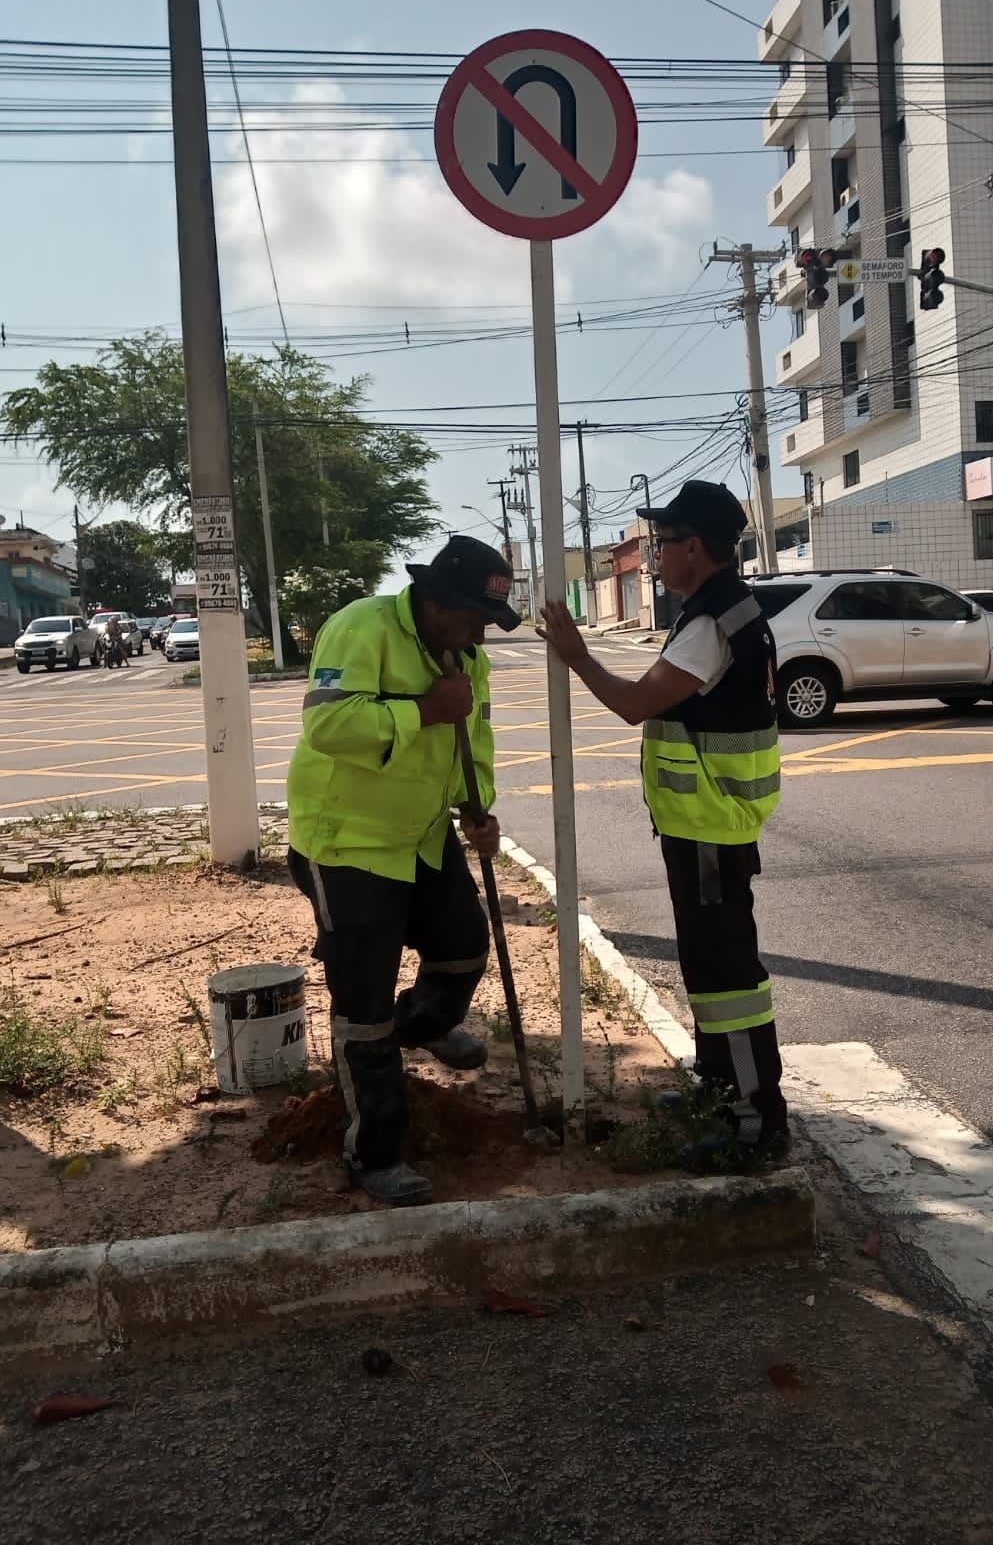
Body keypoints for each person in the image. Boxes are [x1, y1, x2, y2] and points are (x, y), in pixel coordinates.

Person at [538, 480, 787, 1160]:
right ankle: (720, 1083)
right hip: (708, 818)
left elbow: (633, 703)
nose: (655, 557)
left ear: (695, 547)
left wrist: (577, 654)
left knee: (727, 971)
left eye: (663, 544)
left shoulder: (711, 625)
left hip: (712, 820)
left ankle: (754, 1118)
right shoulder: (720, 609)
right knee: (710, 962)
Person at [286, 536, 521, 1207]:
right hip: (348, 842)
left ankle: (417, 1026)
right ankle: (375, 1151)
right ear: (439, 600)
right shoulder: (361, 626)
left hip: (420, 833)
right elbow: (328, 727)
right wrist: (422, 710)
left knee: (463, 950)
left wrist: (477, 810)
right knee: (362, 1008)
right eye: (475, 616)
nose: (481, 633)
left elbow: (473, 740)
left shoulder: (466, 656)